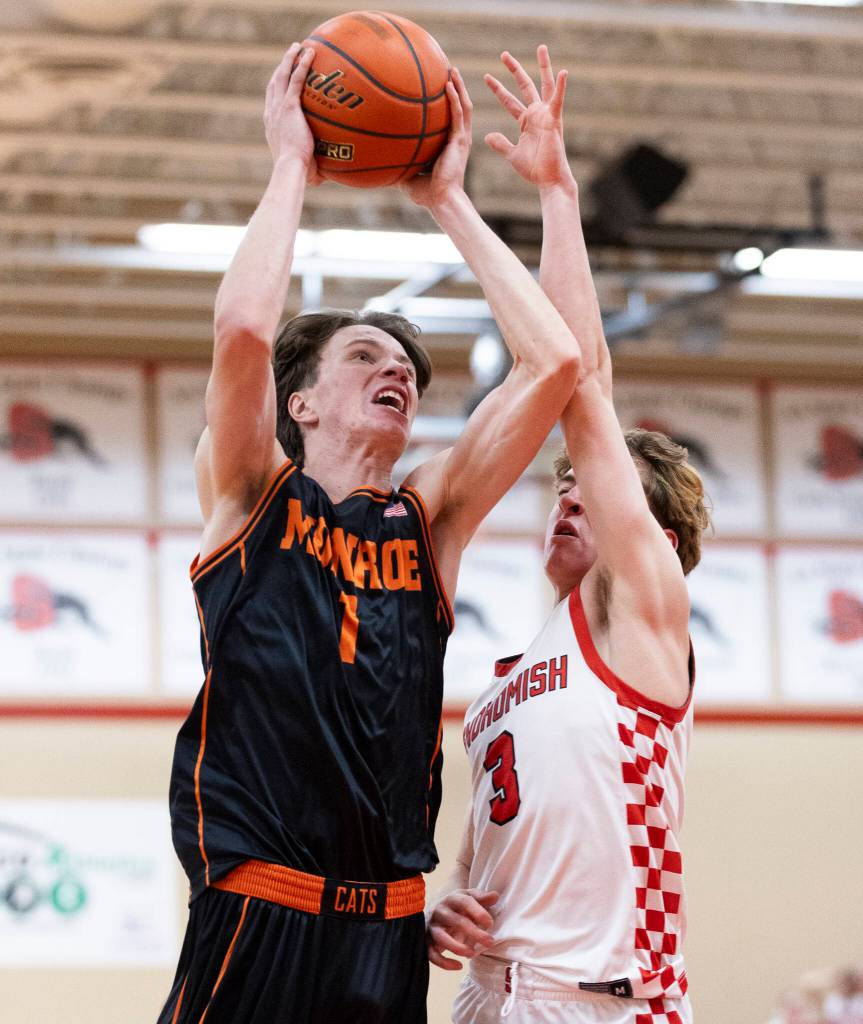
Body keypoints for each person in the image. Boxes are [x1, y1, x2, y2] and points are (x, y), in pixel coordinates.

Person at [157, 43, 581, 1024]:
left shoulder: (427, 519)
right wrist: (291, 166)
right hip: (260, 915)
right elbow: (242, 336)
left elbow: (553, 361)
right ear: (299, 404)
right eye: (361, 354)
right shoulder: (252, 494)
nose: (392, 369)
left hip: (386, 940)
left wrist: (448, 201)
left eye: (404, 365)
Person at [425, 47, 710, 1024]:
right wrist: (449, 900)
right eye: (564, 488)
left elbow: (578, 385)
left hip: (596, 1003)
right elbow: (493, 837)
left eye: (597, 490)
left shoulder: (644, 609)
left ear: (658, 536)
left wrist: (553, 194)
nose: (569, 497)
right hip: (488, 990)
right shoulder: (511, 669)